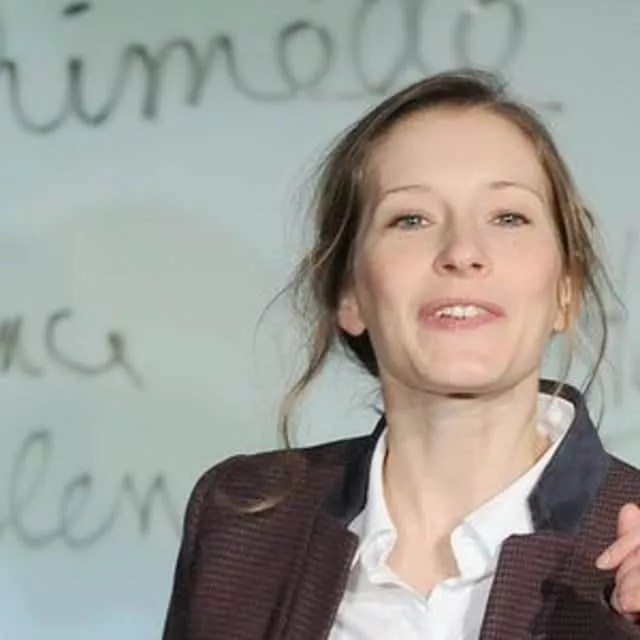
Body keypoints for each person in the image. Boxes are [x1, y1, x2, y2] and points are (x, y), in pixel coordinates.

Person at [162, 70, 640, 639]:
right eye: (410, 219)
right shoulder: (244, 520)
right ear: (349, 294)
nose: (462, 251)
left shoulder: (629, 532)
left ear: (566, 290)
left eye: (508, 217)